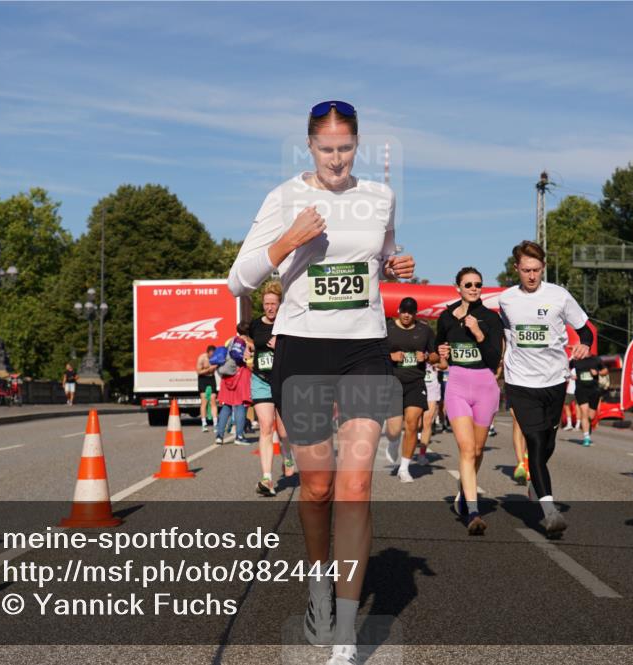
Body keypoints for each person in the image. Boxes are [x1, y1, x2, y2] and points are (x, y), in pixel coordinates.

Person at [227, 100, 413, 665]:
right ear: (310, 145)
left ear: (357, 144)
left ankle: (347, 631)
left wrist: (394, 268)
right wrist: (288, 241)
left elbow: (378, 257)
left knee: (356, 487)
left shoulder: (379, 197)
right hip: (303, 350)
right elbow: (238, 278)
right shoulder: (285, 197)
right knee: (318, 489)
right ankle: (318, 588)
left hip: (363, 348)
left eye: (346, 148)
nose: (336, 159)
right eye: (326, 149)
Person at [499, 240, 593, 538]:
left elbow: (585, 329)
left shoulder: (559, 296)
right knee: (535, 443)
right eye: (526, 270)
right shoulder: (505, 300)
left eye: (536, 270)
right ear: (517, 269)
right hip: (520, 382)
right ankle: (549, 511)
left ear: (543, 269)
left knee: (548, 442)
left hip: (554, 380)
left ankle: (535, 482)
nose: (531, 276)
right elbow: (494, 331)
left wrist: (584, 345)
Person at [436, 267, 505, 534]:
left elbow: (493, 359)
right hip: (457, 386)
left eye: (478, 284)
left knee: (477, 451)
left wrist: (478, 333)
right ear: (458, 288)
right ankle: (474, 513)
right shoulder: (445, 317)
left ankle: (464, 489)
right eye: (468, 284)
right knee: (466, 449)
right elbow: (440, 358)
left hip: (485, 387)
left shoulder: (490, 318)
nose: (474, 288)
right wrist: (441, 355)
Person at [383, 297, 437, 482]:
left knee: (413, 423)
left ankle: (404, 468)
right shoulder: (387, 328)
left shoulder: (425, 330)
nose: (407, 315)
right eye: (404, 311)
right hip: (392, 382)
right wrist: (391, 356)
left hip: (416, 382)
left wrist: (428, 356)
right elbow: (374, 353)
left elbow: (436, 355)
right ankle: (393, 440)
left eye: (411, 312)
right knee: (394, 430)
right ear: (398, 310)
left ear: (415, 313)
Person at [250, 281, 295, 496]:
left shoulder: (288, 324)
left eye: (273, 304)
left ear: (280, 304)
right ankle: (267, 479)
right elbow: (251, 341)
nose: (269, 307)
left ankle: (287, 455)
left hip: (283, 380)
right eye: (266, 303)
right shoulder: (255, 325)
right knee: (266, 426)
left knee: (284, 430)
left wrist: (283, 343)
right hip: (260, 379)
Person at [215, 324, 254, 445]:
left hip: (227, 376)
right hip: (241, 375)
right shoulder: (249, 343)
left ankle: (219, 436)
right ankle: (239, 436)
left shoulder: (230, 340)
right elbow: (249, 361)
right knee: (240, 405)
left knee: (226, 405)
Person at [570, 352, 608, 446]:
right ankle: (586, 437)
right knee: (584, 413)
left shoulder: (596, 360)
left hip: (594, 391)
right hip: (581, 390)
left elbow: (605, 370)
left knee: (591, 416)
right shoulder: (576, 360)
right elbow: (565, 368)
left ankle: (588, 425)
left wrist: (598, 372)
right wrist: (570, 376)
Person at [417, 355, 442, 464]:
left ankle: (422, 455)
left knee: (427, 422)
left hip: (431, 386)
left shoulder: (435, 346)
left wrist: (438, 363)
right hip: (415, 385)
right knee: (415, 423)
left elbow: (444, 364)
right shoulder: (414, 342)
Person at [197, 345, 219, 432]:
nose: (211, 357)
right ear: (207, 353)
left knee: (213, 400)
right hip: (203, 379)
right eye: (210, 355)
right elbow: (198, 371)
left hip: (211, 378)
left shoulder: (216, 358)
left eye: (213, 355)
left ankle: (215, 423)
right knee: (204, 400)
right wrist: (209, 369)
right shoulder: (202, 358)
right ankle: (204, 423)